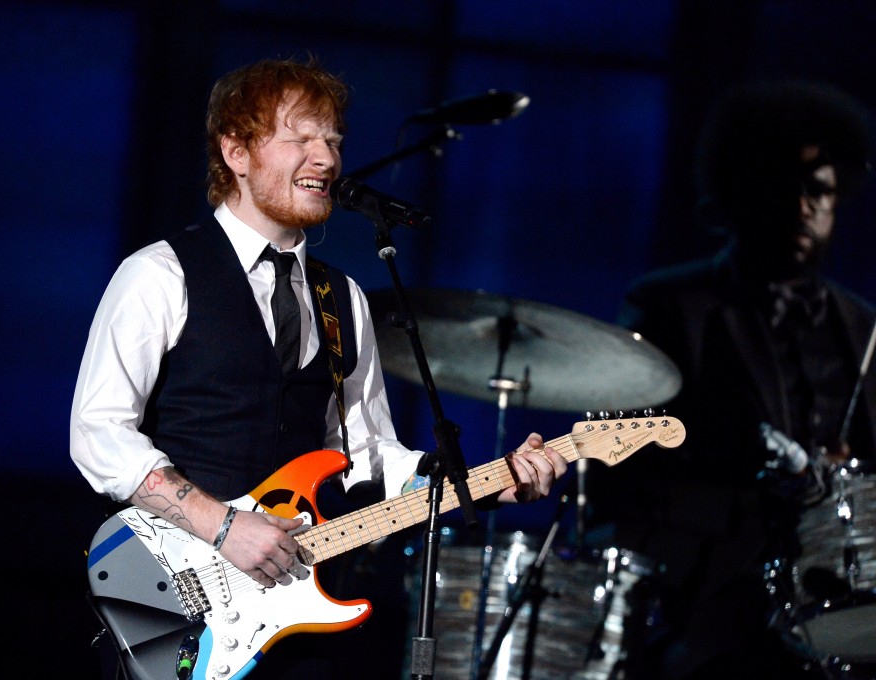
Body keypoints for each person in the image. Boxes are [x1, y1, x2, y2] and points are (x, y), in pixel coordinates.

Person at [69, 55, 568, 679]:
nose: (326, 158)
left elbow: (366, 454)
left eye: (332, 139)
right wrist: (223, 527)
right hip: (175, 600)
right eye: (299, 137)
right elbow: (98, 432)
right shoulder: (160, 274)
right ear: (237, 152)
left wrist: (494, 482)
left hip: (291, 613)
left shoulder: (344, 299)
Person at [589, 80, 876, 679]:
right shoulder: (671, 305)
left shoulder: (863, 326)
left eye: (821, 191)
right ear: (744, 188)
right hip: (712, 599)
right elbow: (623, 473)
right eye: (788, 185)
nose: (804, 205)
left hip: (843, 596)